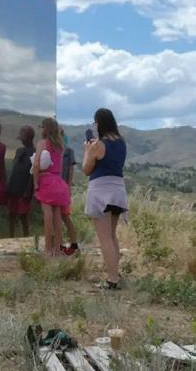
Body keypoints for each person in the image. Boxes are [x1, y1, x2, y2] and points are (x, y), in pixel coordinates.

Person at [83, 108, 127, 290]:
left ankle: (112, 279)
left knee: (104, 239)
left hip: (101, 191)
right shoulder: (122, 142)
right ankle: (115, 274)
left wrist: (87, 150)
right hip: (118, 191)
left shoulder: (98, 145)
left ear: (99, 123)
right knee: (112, 236)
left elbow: (86, 169)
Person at [33, 118, 70, 257]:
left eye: (41, 127)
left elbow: (36, 164)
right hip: (58, 181)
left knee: (47, 215)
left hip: (46, 181)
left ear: (45, 128)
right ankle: (58, 249)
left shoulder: (42, 143)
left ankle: (48, 248)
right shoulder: (59, 145)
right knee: (57, 216)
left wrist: (35, 183)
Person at [7, 126, 35, 237]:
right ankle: (10, 236)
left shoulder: (34, 152)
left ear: (29, 137)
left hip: (25, 187)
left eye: (23, 137)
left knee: (23, 215)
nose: (21, 140)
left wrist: (29, 189)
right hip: (14, 186)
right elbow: (15, 167)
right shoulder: (19, 151)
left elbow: (33, 173)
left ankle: (26, 236)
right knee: (11, 213)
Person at [60, 127, 79, 256]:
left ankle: (73, 244)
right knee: (56, 217)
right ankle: (59, 244)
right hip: (54, 187)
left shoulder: (68, 151)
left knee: (65, 216)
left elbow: (71, 169)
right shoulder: (52, 150)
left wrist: (68, 186)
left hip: (63, 187)